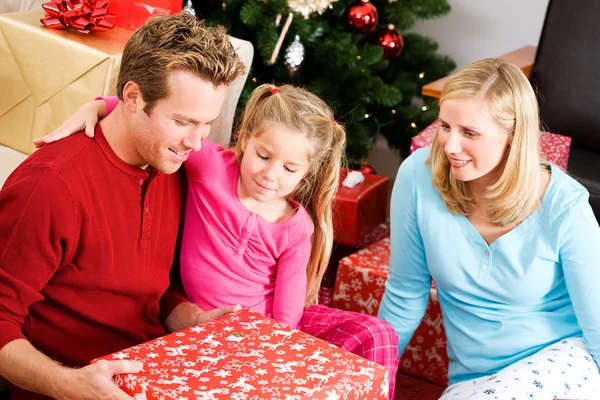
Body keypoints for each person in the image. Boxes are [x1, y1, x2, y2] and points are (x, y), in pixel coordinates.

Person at [38, 83, 401, 398]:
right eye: (262, 155)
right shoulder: (212, 168)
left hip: (264, 336)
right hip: (202, 331)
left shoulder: (296, 227)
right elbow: (155, 121)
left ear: (307, 172)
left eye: (290, 169)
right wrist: (99, 105)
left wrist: (272, 362)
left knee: (376, 334)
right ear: (245, 139)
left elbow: (287, 320)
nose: (269, 175)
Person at [0, 13, 246, 400]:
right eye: (182, 121)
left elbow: (152, 293)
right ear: (132, 98)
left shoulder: (173, 167)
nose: (197, 143)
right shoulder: (50, 185)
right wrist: (67, 384)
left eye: (207, 124)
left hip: (152, 376)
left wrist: (191, 318)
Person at [378, 58, 600, 399]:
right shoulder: (417, 178)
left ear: (512, 135)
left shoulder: (566, 207)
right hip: (474, 380)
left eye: (470, 133)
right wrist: (369, 377)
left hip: (561, 362)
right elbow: (405, 293)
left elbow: (597, 322)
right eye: (446, 126)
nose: (450, 146)